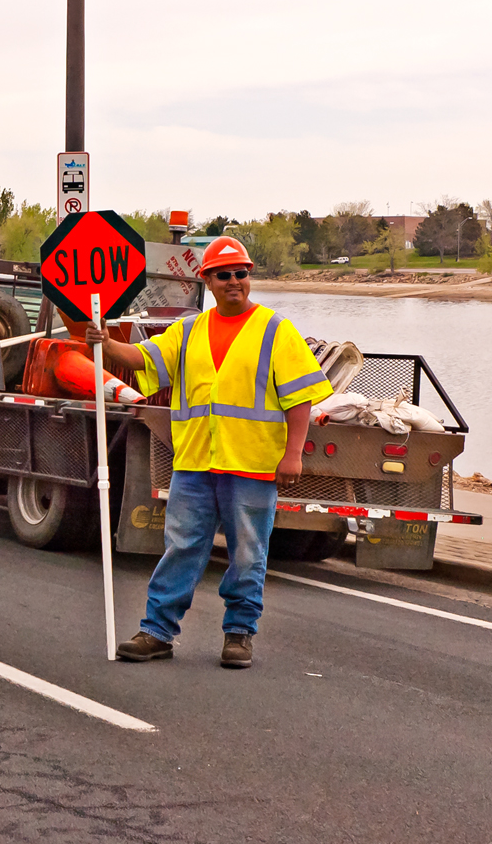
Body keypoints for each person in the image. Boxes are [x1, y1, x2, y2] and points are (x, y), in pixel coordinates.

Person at [85, 235, 332, 669]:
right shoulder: (188, 330)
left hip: (252, 465)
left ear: (249, 277)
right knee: (180, 547)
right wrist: (102, 341)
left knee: (247, 553)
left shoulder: (275, 330)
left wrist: (293, 455)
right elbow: (142, 359)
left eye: (241, 273)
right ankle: (156, 632)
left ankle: (239, 635)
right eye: (224, 275)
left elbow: (299, 400)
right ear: (208, 281)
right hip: (196, 463)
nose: (234, 281)